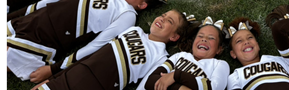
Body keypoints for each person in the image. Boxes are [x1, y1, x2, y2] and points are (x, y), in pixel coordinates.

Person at [6, 0, 168, 82]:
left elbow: (96, 46)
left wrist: (54, 69)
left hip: (44, 37)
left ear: (142, 5)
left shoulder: (127, 15)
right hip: (36, 18)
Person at [30, 9, 194, 90]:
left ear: (174, 37)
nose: (161, 19)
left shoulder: (161, 57)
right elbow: (95, 53)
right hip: (70, 77)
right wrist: (53, 78)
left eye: (169, 22)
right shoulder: (134, 30)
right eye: (163, 16)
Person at [137, 15, 230, 90]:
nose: (204, 40)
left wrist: (176, 75)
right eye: (200, 36)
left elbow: (213, 87)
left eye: (211, 38)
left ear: (219, 49)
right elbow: (150, 80)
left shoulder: (220, 64)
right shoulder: (179, 56)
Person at [226, 17, 289, 90]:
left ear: (257, 45)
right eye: (239, 41)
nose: (246, 42)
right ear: (233, 54)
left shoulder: (280, 60)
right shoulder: (235, 76)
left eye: (250, 37)